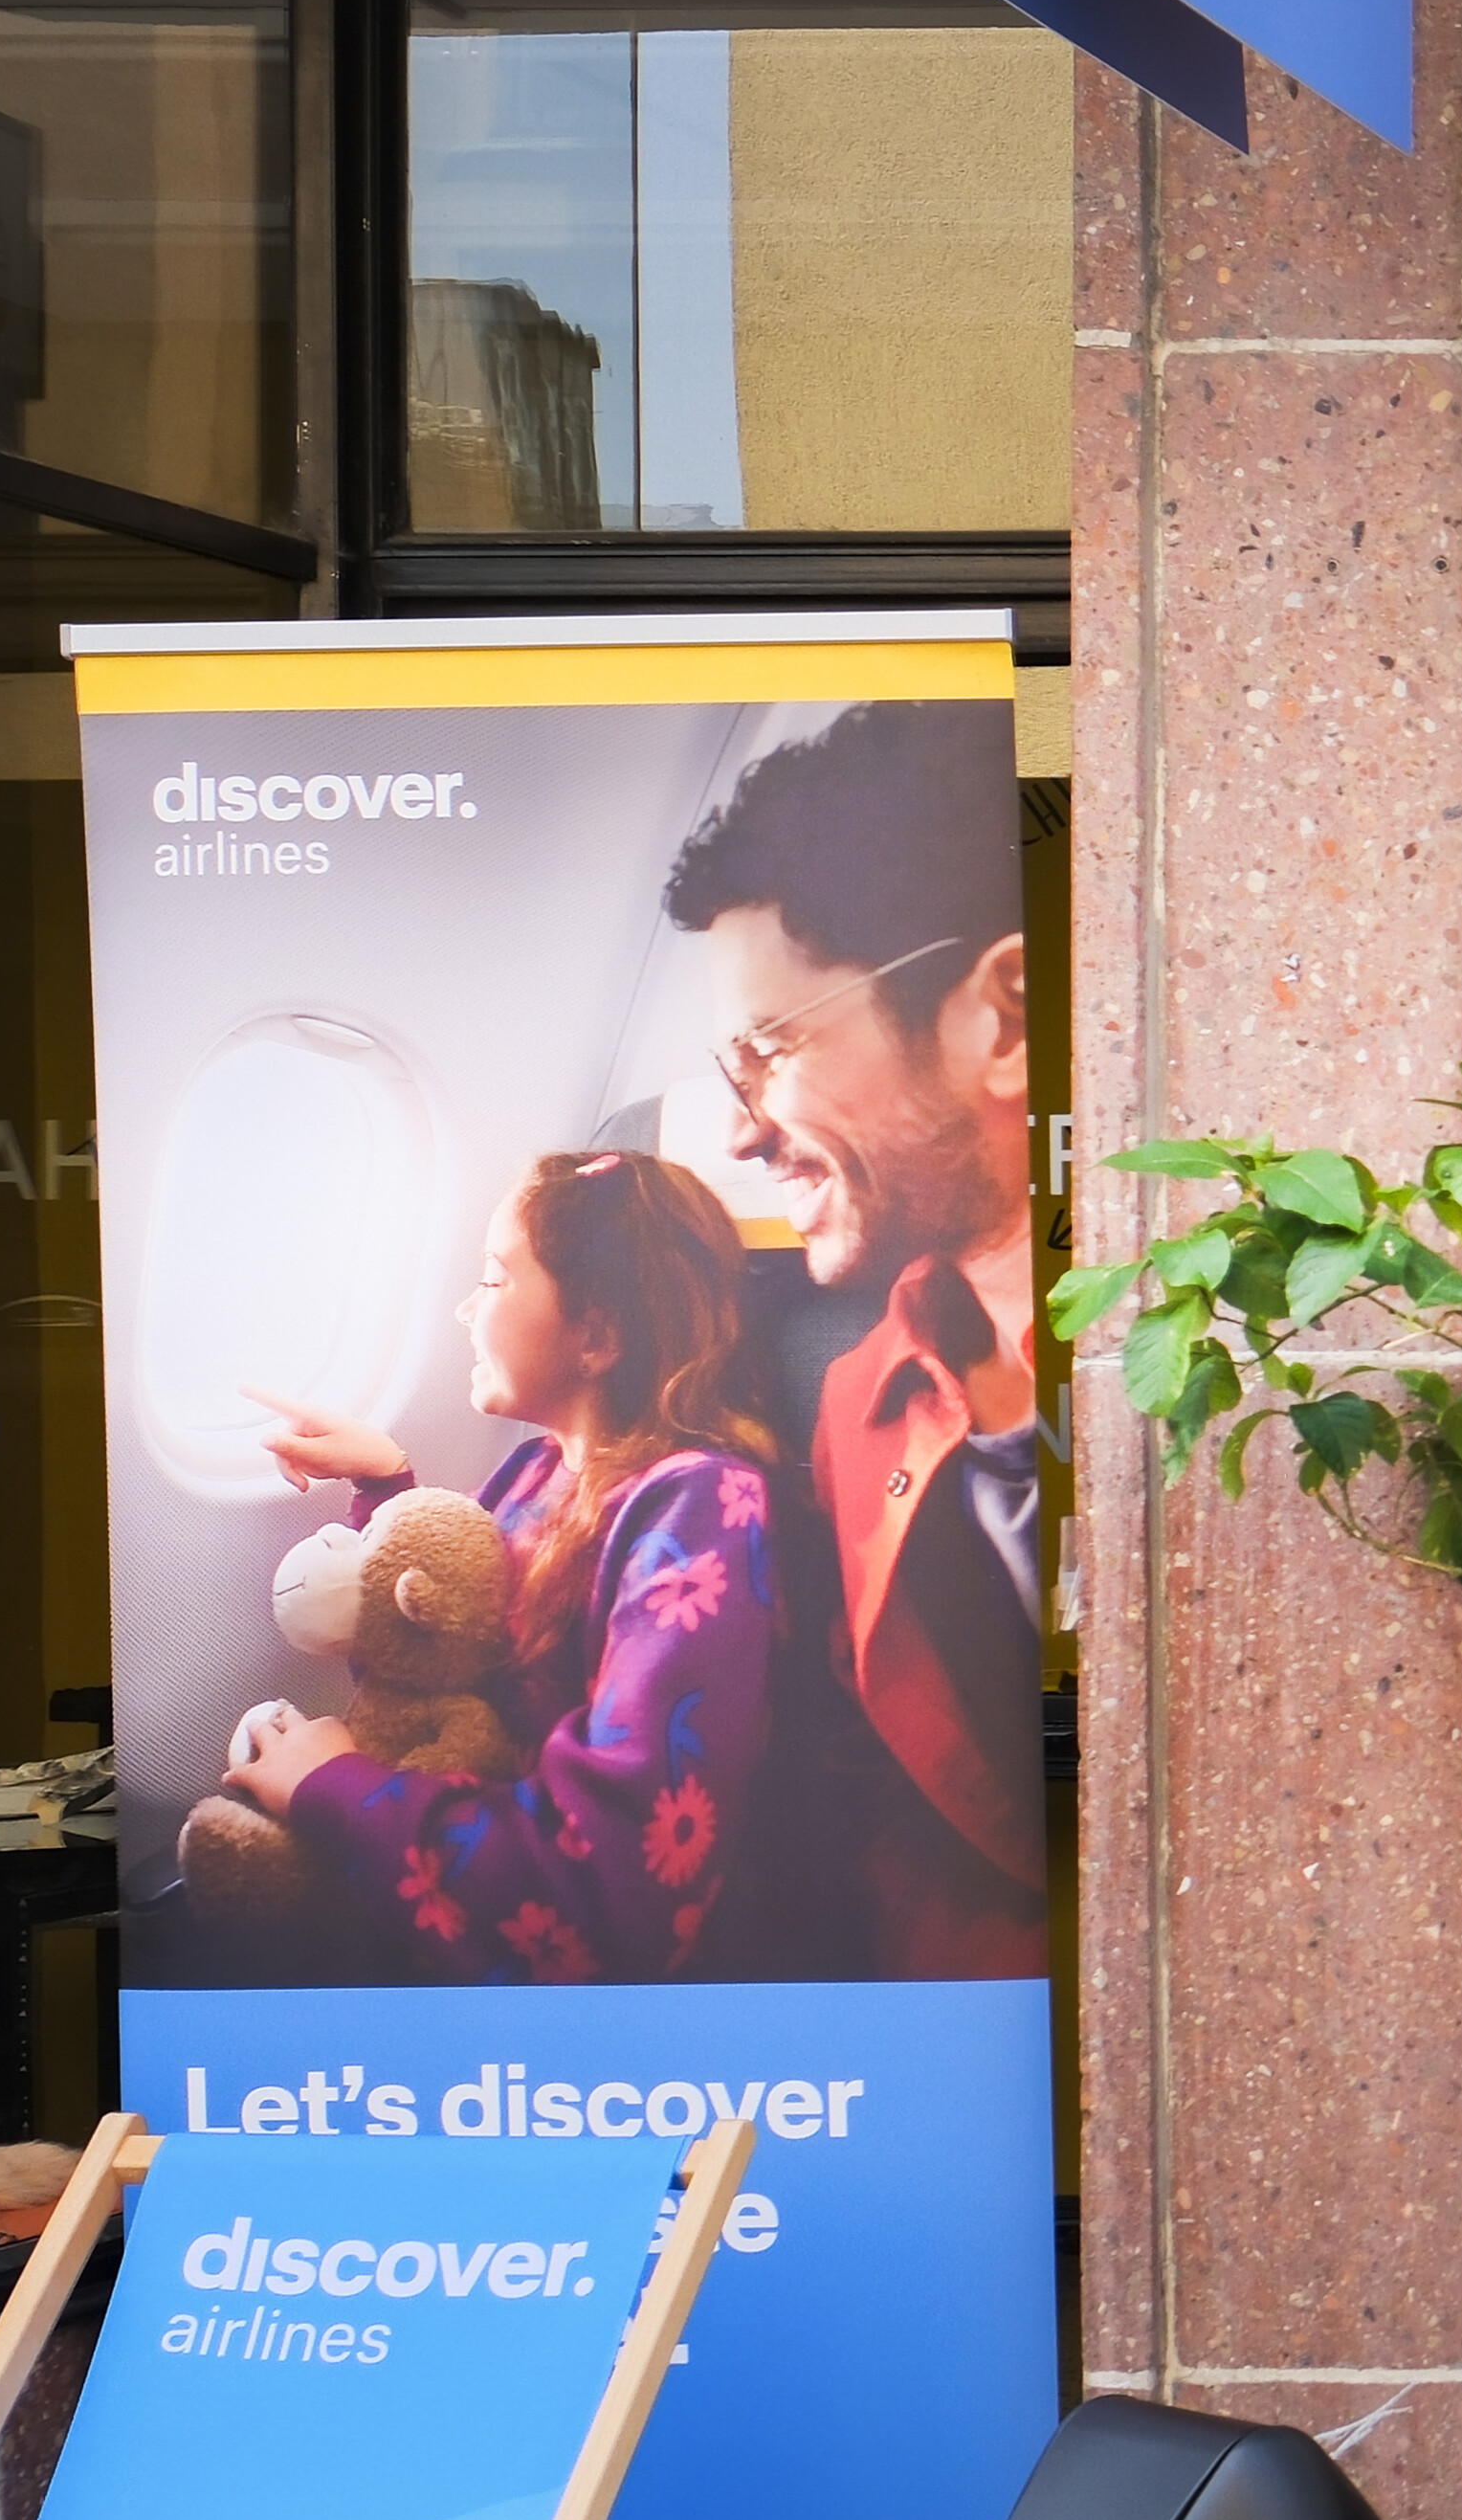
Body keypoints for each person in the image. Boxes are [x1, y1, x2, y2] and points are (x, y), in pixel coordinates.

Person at [661, 702, 1045, 1983]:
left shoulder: (1189, 1349)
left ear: (1003, 1021)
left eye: (769, 1049)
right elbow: (878, 1802)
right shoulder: (852, 1401)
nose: (740, 1132)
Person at [235, 1152, 792, 1981]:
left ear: (597, 1334)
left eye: (494, 1280)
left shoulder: (702, 1506)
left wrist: (332, 1785)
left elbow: (611, 1882)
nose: (467, 1308)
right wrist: (384, 1486)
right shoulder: (535, 1476)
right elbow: (441, 1658)